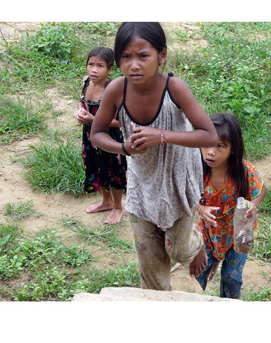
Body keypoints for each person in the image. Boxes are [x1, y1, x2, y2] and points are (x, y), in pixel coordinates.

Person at [90, 22, 218, 291]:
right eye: (126, 57)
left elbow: (208, 135)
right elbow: (97, 134)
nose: (134, 65)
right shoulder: (116, 90)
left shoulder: (175, 88)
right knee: (150, 267)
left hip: (178, 181)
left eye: (143, 56)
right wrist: (125, 149)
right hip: (142, 184)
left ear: (162, 56)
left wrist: (161, 134)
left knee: (178, 249)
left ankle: (196, 246)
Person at [195, 112, 266, 299]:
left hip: (241, 230)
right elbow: (186, 197)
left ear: (232, 149)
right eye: (207, 143)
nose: (211, 152)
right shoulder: (195, 169)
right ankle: (216, 260)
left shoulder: (245, 171)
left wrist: (253, 204)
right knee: (199, 269)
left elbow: (262, 189)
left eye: (220, 146)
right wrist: (201, 209)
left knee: (231, 278)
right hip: (209, 231)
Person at [76, 46, 126, 225]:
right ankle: (106, 202)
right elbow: (81, 101)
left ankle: (118, 207)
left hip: (109, 137)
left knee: (113, 171)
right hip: (90, 135)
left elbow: (120, 122)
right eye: (91, 64)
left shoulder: (112, 90)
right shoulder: (85, 82)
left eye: (100, 66)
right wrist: (80, 112)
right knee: (97, 167)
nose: (94, 70)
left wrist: (93, 119)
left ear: (110, 69)